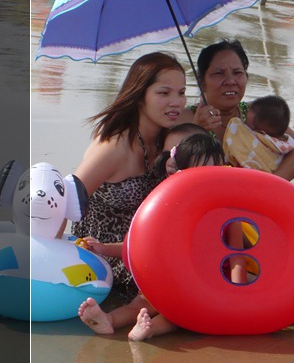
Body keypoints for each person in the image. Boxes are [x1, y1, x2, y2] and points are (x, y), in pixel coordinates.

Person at [77, 133, 241, 340]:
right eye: (197, 173)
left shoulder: (228, 211)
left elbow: (237, 256)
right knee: (141, 303)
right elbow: (138, 246)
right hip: (169, 278)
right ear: (178, 175)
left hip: (209, 284)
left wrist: (238, 293)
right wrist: (104, 248)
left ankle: (150, 329)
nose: (206, 179)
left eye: (213, 172)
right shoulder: (167, 208)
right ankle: (108, 320)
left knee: (182, 312)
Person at [70, 51, 187, 300]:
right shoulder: (114, 146)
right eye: (164, 93)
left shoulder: (170, 138)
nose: (176, 102)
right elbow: (67, 197)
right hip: (103, 257)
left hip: (146, 250)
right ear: (140, 96)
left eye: (181, 92)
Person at [175, 39, 294, 181]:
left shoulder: (256, 113)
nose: (230, 81)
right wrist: (197, 129)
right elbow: (171, 165)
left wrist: (267, 186)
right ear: (202, 82)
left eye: (237, 72)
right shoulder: (184, 118)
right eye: (219, 73)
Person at [222, 95, 294, 173]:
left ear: (262, 133)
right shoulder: (284, 145)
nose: (244, 126)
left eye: (249, 126)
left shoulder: (248, 136)